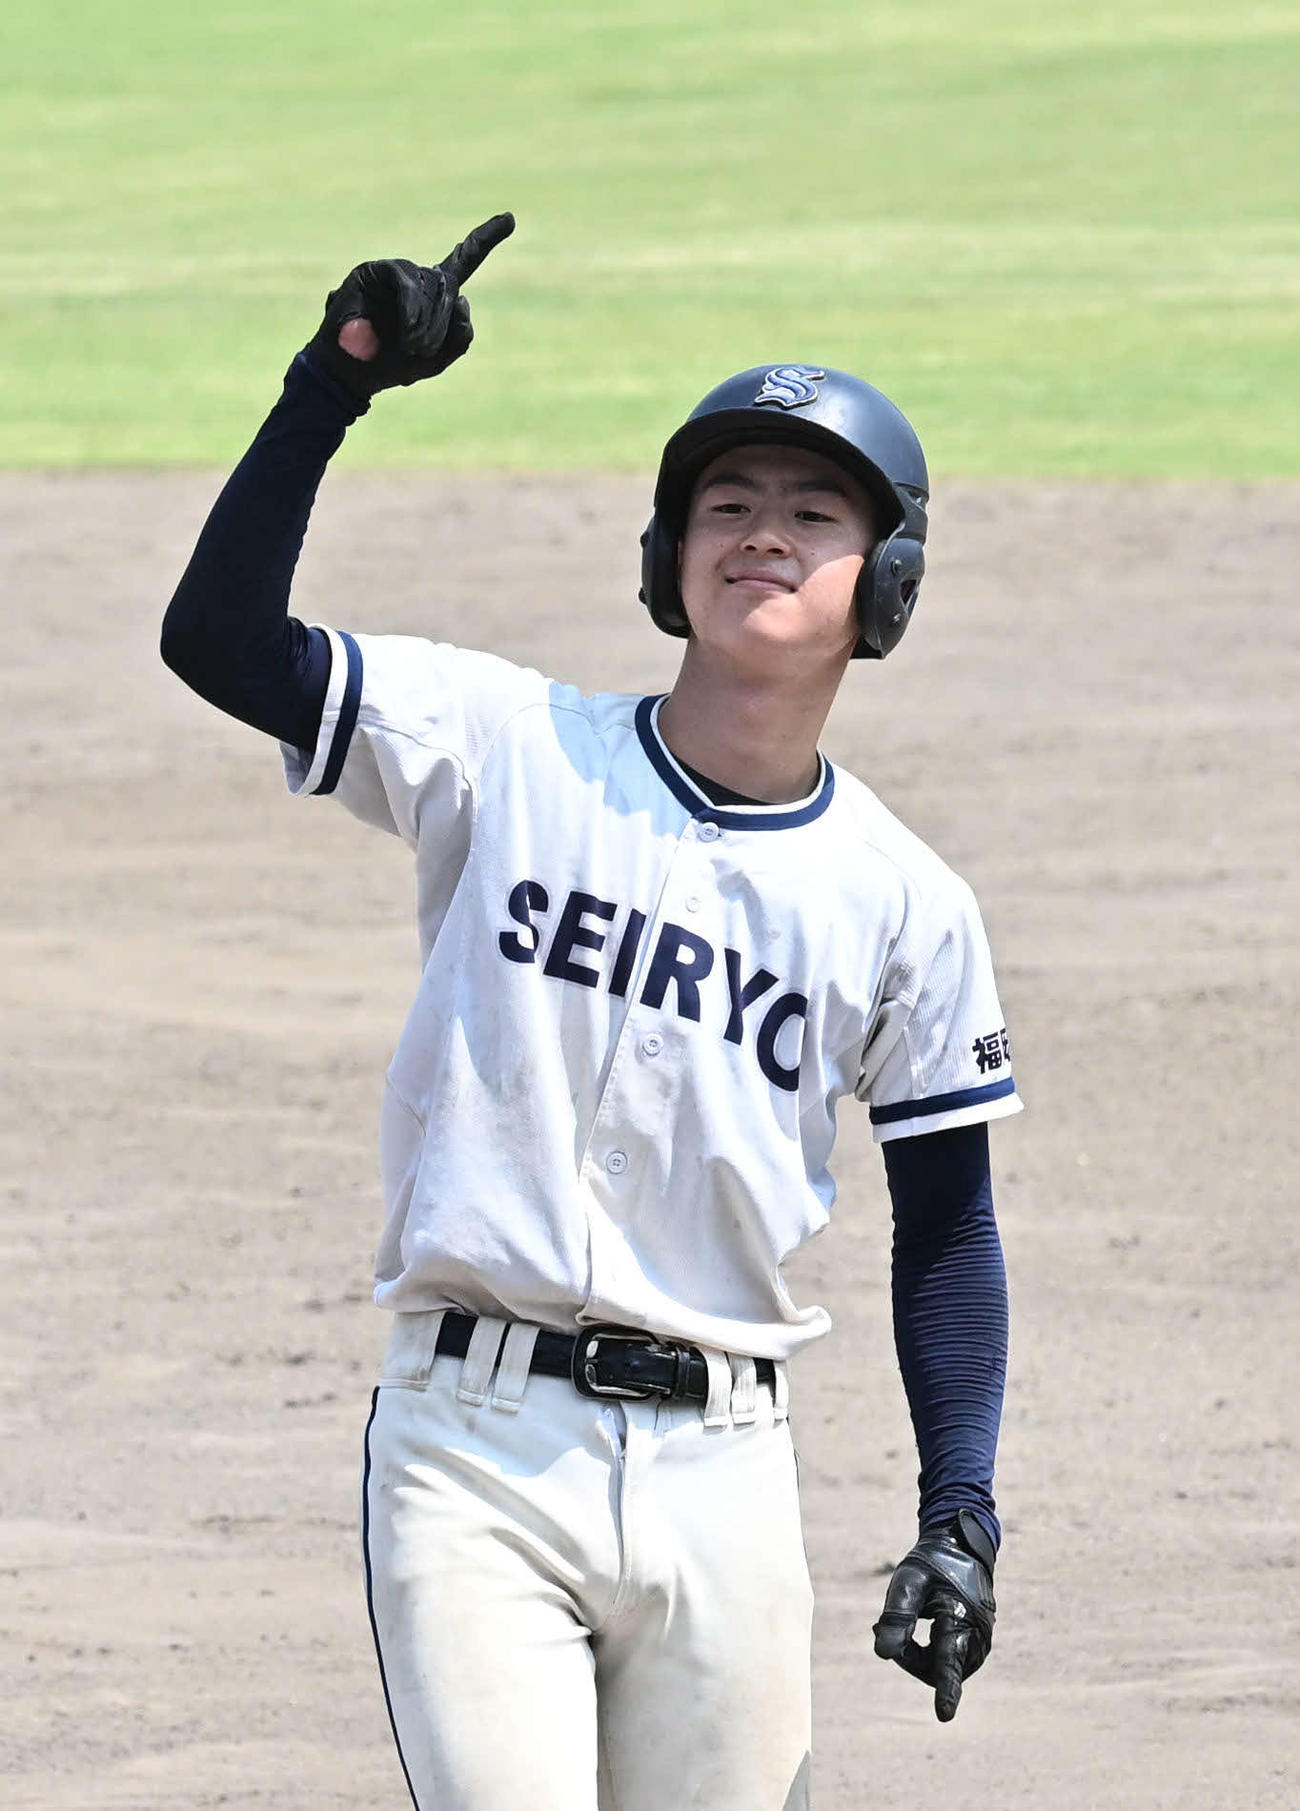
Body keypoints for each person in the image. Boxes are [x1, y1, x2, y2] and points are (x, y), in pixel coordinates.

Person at [161, 212, 1020, 1811]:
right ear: (664, 556)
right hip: (474, 1453)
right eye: (727, 504)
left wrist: (959, 1517)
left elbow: (949, 1229)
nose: (762, 532)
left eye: (813, 510)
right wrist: (331, 384)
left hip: (729, 1482)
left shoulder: (907, 903)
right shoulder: (507, 746)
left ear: (883, 582)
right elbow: (218, 642)